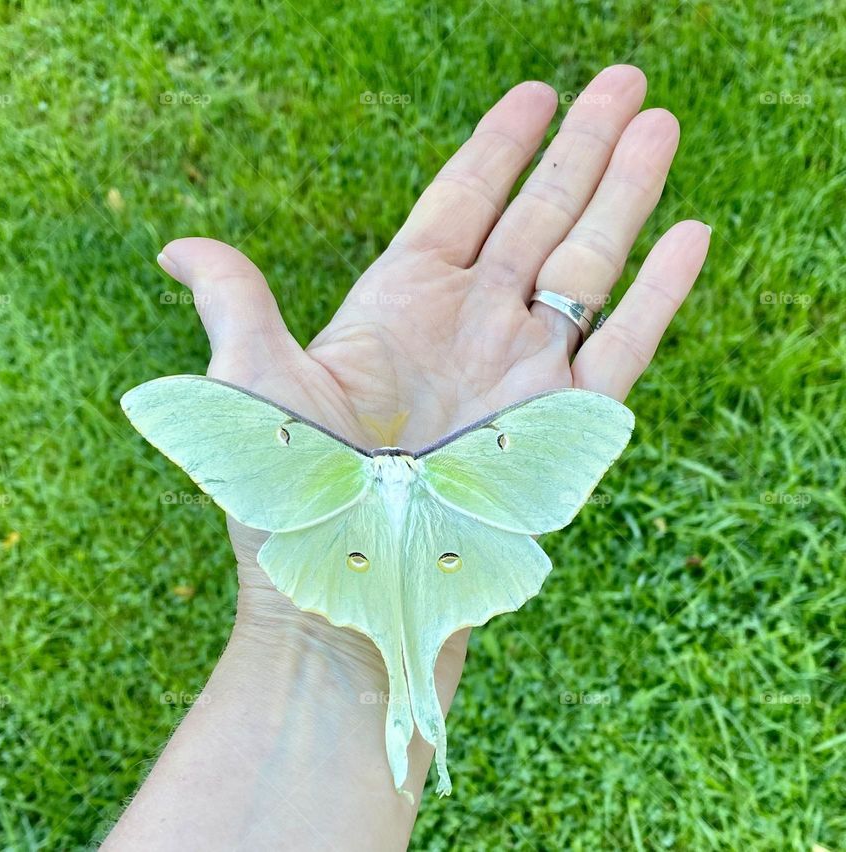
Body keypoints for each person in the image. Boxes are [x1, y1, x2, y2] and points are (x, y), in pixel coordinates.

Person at [102, 64, 710, 850]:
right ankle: (417, 733)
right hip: (396, 536)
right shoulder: (428, 457)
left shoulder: (369, 459)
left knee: (408, 652)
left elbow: (580, 431)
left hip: (354, 536)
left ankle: (413, 725)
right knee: (406, 655)